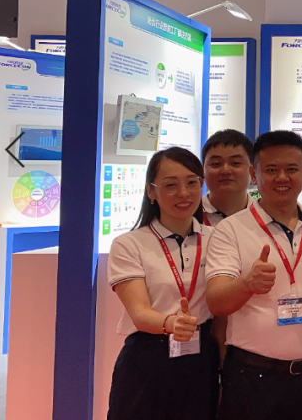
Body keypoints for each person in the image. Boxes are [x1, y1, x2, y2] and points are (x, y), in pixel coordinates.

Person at [206, 130, 302, 420]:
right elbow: (216, 303)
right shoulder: (230, 230)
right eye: (271, 170)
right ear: (254, 175)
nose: (282, 177)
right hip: (252, 376)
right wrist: (247, 284)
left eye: (291, 169)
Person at [107, 147, 221, 420]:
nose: (184, 193)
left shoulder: (218, 239)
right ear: (151, 191)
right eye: (170, 185)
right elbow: (139, 312)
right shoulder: (129, 244)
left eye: (192, 182)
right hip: (148, 357)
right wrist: (170, 323)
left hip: (201, 356)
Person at [201, 129, 255, 226]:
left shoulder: (267, 216)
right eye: (216, 164)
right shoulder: (188, 217)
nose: (225, 171)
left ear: (252, 170)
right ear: (203, 170)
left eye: (235, 163)